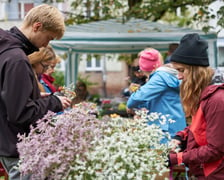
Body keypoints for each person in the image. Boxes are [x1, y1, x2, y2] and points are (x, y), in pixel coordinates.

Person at [0, 4, 71, 180]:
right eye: (48, 38)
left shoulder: (6, 51)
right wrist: (55, 102)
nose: (46, 44)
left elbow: (8, 99)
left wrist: (34, 97)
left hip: (7, 141)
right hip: (18, 146)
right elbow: (21, 113)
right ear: (37, 26)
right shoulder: (17, 59)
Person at [168, 33, 224, 179]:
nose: (179, 77)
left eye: (181, 70)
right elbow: (200, 126)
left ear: (195, 71)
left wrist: (177, 158)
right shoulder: (205, 93)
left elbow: (215, 150)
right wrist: (181, 136)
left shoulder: (217, 99)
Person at [126, 48, 186, 141]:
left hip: (167, 130)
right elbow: (155, 101)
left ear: (142, 67)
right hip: (174, 126)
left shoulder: (160, 77)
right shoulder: (166, 75)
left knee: (165, 155)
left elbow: (136, 99)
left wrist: (131, 102)